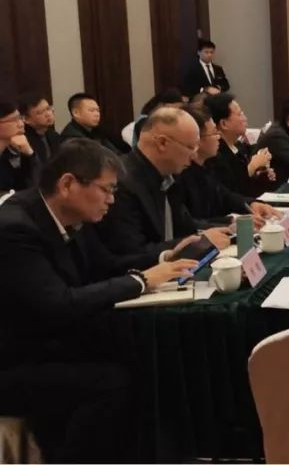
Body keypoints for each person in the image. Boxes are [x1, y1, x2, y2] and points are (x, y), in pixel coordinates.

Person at [0, 139, 197, 463]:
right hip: (15, 361)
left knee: (148, 357)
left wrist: (163, 261)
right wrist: (141, 281)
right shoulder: (15, 229)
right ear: (68, 184)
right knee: (112, 383)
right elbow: (57, 305)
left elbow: (104, 265)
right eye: (106, 190)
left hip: (50, 344)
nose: (111, 200)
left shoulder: (69, 215)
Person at [97, 108, 231, 268]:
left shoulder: (168, 176)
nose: (194, 155)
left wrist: (228, 226)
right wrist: (192, 243)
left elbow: (186, 225)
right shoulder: (121, 183)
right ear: (162, 143)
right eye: (190, 147)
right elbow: (130, 252)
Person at [176, 106, 279, 229]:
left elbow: (225, 196)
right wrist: (231, 221)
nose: (219, 137)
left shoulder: (207, 165)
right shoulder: (180, 174)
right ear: (197, 140)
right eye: (214, 133)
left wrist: (251, 204)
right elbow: (188, 223)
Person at [204, 93, 277, 198]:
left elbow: (247, 188)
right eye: (239, 114)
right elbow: (230, 190)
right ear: (224, 124)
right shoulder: (215, 153)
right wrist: (253, 166)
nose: (245, 118)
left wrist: (260, 175)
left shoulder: (239, 147)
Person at [60, 93, 126, 153]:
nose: (97, 114)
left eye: (98, 110)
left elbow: (116, 152)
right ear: (76, 113)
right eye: (92, 110)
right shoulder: (71, 138)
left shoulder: (97, 130)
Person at [0, 101, 37, 192]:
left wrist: (29, 153)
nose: (21, 124)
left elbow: (27, 186)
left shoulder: (12, 150)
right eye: (14, 120)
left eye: (20, 118)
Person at [18, 93, 61, 163]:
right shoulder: (24, 141)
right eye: (40, 112)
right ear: (26, 119)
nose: (48, 114)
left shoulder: (54, 135)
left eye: (48, 108)